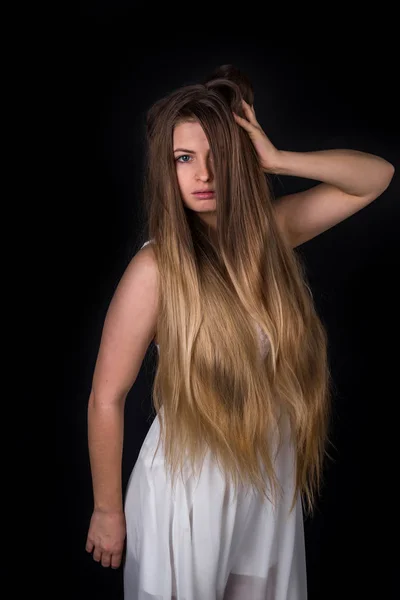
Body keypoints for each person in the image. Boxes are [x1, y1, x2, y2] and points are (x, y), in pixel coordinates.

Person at [85, 64, 394, 599]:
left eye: (217, 156)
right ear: (167, 169)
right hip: (189, 486)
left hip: (265, 479)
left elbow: (376, 177)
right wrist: (107, 510)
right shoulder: (156, 270)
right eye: (185, 158)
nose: (203, 175)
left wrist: (277, 159)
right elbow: (106, 397)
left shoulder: (269, 235)